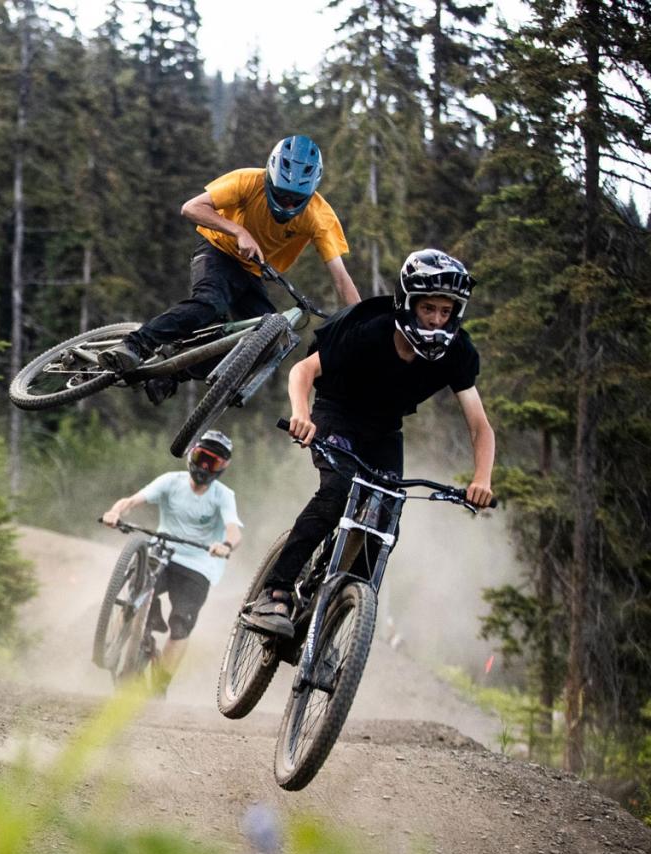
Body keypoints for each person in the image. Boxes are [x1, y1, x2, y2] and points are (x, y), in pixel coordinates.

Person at [240, 248, 496, 638]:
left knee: (384, 527)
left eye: (447, 312)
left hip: (384, 431)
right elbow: (303, 371)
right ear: (408, 303)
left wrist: (482, 479)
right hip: (336, 412)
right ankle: (274, 591)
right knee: (337, 493)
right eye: (429, 309)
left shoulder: (458, 352)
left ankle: (329, 631)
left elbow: (479, 426)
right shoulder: (370, 328)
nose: (437, 320)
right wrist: (301, 415)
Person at [99, 135, 362, 403]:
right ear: (270, 179)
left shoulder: (320, 217)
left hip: (252, 271)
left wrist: (365, 324)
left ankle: (171, 375)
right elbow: (191, 208)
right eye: (281, 195)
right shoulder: (247, 181)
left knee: (270, 339)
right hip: (218, 252)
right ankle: (134, 344)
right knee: (209, 304)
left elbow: (341, 278)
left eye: (297, 200)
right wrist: (238, 231)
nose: (287, 205)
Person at [101, 430, 243, 679]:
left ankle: (160, 683)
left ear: (223, 467)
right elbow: (132, 501)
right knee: (137, 587)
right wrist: (115, 512)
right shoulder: (170, 481)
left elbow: (234, 530)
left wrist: (226, 546)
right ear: (191, 455)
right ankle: (138, 632)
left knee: (181, 626)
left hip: (199, 565)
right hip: (163, 553)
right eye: (201, 458)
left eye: (213, 462)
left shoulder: (224, 495)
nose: (205, 467)